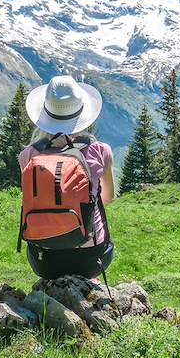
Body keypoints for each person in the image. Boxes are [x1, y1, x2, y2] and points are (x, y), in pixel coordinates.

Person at [18, 75, 115, 280]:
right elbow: (107, 197)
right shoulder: (101, 151)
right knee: (102, 236)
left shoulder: (28, 155)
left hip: (44, 261)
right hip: (92, 258)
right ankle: (89, 284)